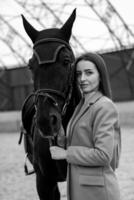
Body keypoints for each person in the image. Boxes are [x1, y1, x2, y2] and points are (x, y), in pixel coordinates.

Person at [50, 52, 121, 200]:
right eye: (78, 74)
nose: (82, 79)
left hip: (97, 193)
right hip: (81, 189)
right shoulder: (81, 106)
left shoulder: (104, 106)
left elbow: (103, 155)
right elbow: (82, 142)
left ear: (100, 75)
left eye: (89, 73)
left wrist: (65, 154)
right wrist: (63, 139)